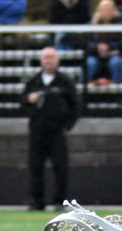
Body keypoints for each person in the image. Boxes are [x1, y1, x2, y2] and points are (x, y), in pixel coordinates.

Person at [24, 46, 79, 211]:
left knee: (61, 167)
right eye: (46, 58)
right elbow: (22, 102)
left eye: (51, 57)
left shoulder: (64, 81)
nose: (48, 61)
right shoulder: (33, 81)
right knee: (35, 167)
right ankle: (36, 201)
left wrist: (67, 126)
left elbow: (76, 105)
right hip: (37, 131)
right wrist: (29, 100)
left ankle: (61, 201)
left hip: (57, 131)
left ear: (57, 60)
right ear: (41, 60)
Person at [84, 0, 122, 85]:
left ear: (114, 11)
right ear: (99, 11)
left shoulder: (120, 24)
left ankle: (118, 92)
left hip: (114, 54)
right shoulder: (92, 25)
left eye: (109, 9)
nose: (106, 12)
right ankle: (84, 90)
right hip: (95, 55)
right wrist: (97, 47)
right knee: (90, 62)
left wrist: (109, 46)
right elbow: (86, 43)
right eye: (104, 9)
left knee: (116, 62)